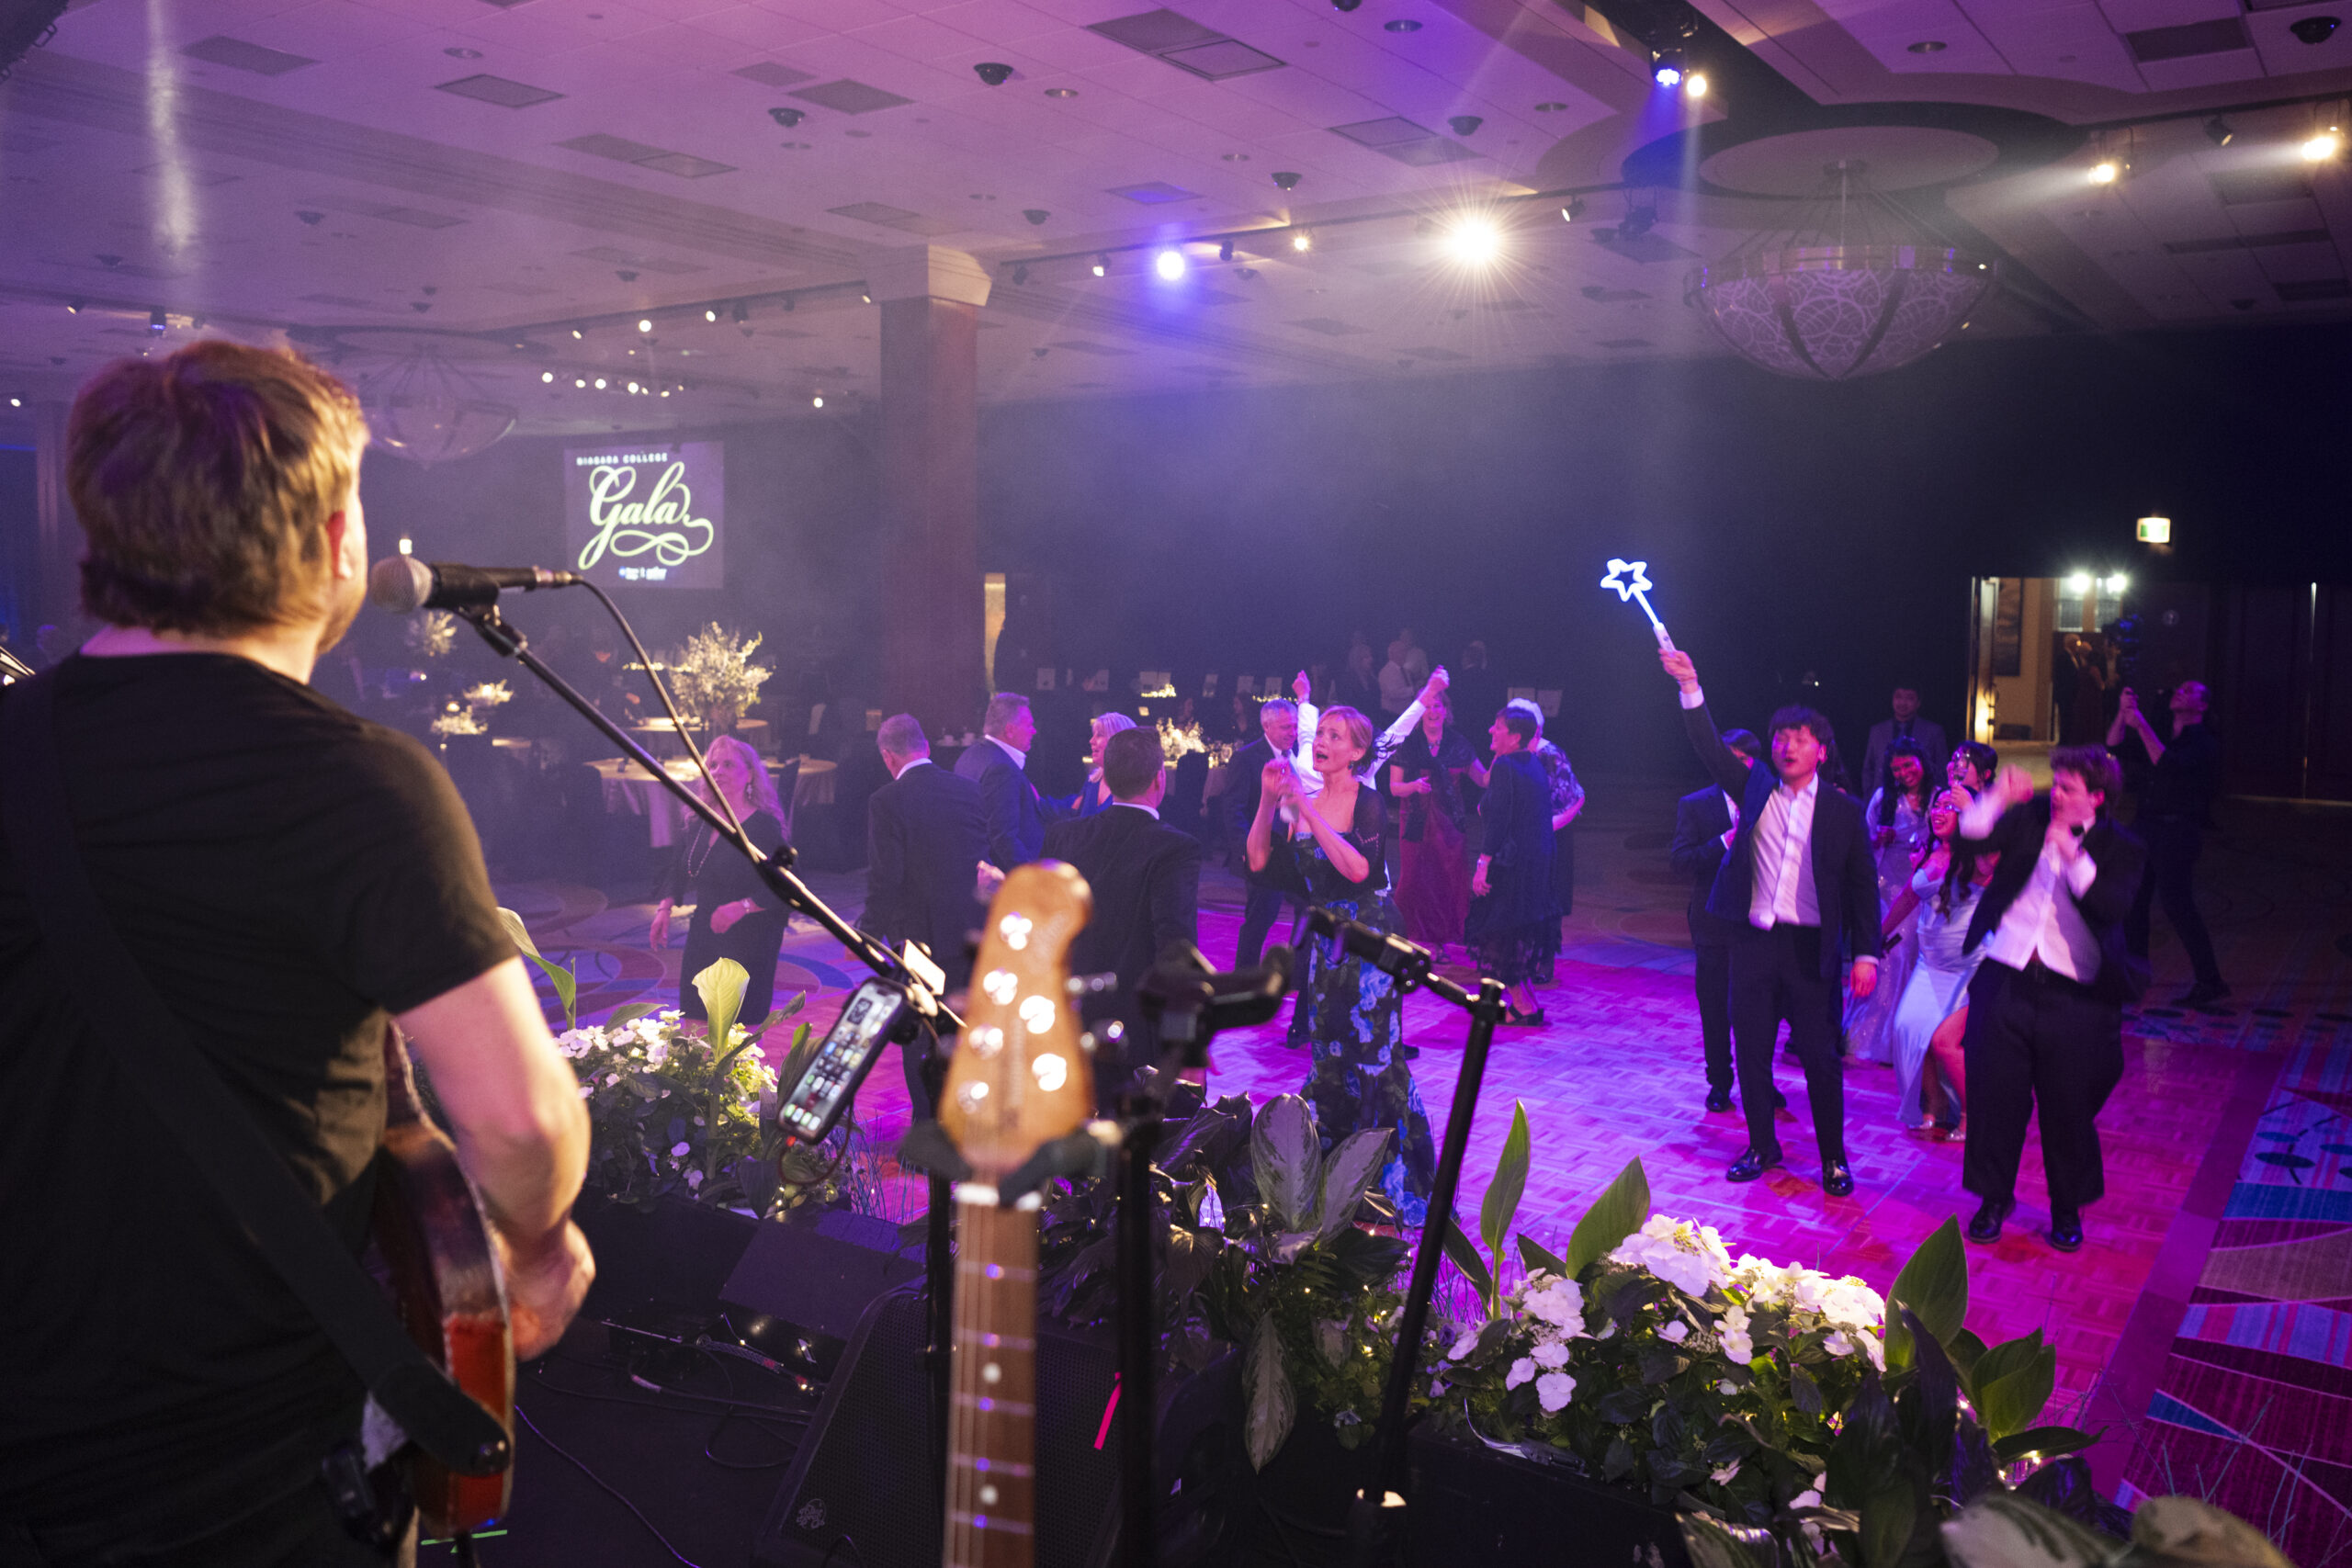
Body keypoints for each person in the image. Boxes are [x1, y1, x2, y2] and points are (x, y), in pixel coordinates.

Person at [0, 341, 592, 1564]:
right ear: (333, 542)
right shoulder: (357, 786)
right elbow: (524, 1125)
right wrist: (531, 1245)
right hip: (243, 1467)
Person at [1661, 647, 1881, 1196]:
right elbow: (1709, 746)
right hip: (1753, 942)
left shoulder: (1843, 811)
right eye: (1782, 737)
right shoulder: (1754, 786)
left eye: (1801, 738)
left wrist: (1866, 955)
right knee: (1751, 1049)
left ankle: (1833, 1159)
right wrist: (1691, 684)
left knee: (1820, 1059)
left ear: (1821, 752)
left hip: (1811, 950)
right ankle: (1761, 1145)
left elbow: (1859, 888)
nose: (1788, 745)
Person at [1247, 705, 1435, 1224]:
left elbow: (1359, 869)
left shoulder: (1367, 802)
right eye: (1320, 732)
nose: (1321, 740)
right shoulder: (1301, 802)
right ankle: (1331, 1176)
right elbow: (1259, 861)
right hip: (1326, 942)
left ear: (1356, 752)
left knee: (1372, 1054)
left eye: (1335, 735)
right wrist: (1269, 801)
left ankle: (1385, 1182)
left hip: (1371, 940)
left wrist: (1307, 812)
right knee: (1328, 1051)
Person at [1954, 750, 2146, 1251]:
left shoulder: (2123, 846)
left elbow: (2111, 904)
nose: (2055, 794)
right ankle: (1994, 1199)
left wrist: (2072, 856)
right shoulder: (2031, 818)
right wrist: (1996, 796)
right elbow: (1970, 835)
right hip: (2009, 977)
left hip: (2075, 994)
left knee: (2068, 1108)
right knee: (1996, 1098)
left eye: (2068, 788)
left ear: (2098, 798)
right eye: (2055, 784)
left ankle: (2066, 1207)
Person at [1040, 728, 1204, 1106]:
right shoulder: (1175, 848)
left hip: (1068, 1018)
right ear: (1159, 779)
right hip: (1135, 1027)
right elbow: (1175, 945)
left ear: (1107, 778)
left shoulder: (1063, 836)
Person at [649, 734, 790, 1043]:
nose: (718, 771)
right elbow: (678, 869)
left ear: (750, 774)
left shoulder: (764, 826)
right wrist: (664, 908)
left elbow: (787, 888)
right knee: (695, 1036)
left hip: (752, 938)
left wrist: (743, 907)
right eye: (712, 765)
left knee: (739, 1039)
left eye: (728, 764)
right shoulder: (699, 820)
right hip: (705, 932)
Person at [2109, 681, 2229, 1009]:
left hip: (2177, 831)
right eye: (2180, 689)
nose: (2180, 692)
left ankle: (2210, 980)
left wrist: (2142, 724)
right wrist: (2123, 714)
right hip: (2147, 826)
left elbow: (2168, 764)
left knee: (2178, 905)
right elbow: (2114, 744)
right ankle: (2134, 974)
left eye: (2191, 692)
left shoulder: (2204, 743)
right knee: (2135, 902)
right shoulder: (2161, 732)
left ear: (2202, 707)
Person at [1886, 787, 1994, 1136]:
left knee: (1944, 1041)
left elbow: (1993, 865)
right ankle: (1935, 1104)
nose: (1939, 811)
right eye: (1937, 805)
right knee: (1908, 1027)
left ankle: (1973, 1116)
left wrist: (1975, 814)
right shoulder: (1928, 855)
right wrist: (1874, 937)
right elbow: (1906, 898)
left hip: (1970, 967)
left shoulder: (1978, 859)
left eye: (1951, 806)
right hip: (1929, 966)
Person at [1671, 728, 1762, 1112]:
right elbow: (1680, 861)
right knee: (1713, 1005)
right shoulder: (1695, 804)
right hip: (1710, 921)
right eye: (1728, 759)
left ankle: (1760, 1083)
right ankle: (1720, 1082)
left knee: (1758, 1009)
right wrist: (1724, 840)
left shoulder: (1769, 801)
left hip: (1758, 923)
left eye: (1742, 760)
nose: (1733, 767)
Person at [1843, 738, 1931, 1066]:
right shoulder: (1883, 799)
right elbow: (1861, 840)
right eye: (1897, 769)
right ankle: (1871, 1035)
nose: (1904, 773)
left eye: (1909, 765)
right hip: (1885, 884)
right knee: (1885, 955)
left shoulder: (1936, 798)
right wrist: (1877, 837)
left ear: (1922, 763)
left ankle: (1902, 1037)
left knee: (1908, 954)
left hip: (1917, 887)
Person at [1467, 706, 1557, 1025]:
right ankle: (1525, 1002)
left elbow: (1498, 823)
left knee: (1499, 931)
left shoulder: (1506, 766)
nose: (1491, 730)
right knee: (1516, 930)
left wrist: (1482, 864)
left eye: (1498, 727)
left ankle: (1523, 1006)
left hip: (1511, 865)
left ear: (1515, 736)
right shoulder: (1531, 763)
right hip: (1533, 867)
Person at [1388, 689, 1476, 957]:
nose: (1434, 711)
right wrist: (1414, 786)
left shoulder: (1458, 743)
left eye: (1438, 706)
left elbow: (1482, 778)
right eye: (1428, 706)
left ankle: (1445, 938)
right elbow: (1394, 787)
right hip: (1416, 822)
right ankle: (1409, 936)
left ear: (1446, 711)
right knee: (1415, 879)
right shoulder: (1408, 744)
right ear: (1420, 713)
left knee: (1449, 880)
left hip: (1450, 826)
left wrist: (1508, 759)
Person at [1227, 695, 1301, 969]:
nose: (1292, 733)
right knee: (1260, 918)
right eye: (1285, 728)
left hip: (1293, 850)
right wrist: (1246, 852)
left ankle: (1295, 972)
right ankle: (1244, 975)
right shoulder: (1247, 759)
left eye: (1294, 727)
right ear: (1267, 727)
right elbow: (1233, 810)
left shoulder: (1295, 756)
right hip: (1264, 853)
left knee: (1307, 913)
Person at [956, 690, 1069, 871]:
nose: (1034, 730)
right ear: (1010, 730)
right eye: (1029, 725)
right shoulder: (1002, 769)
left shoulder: (969, 755)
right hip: (1004, 878)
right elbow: (1003, 837)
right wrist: (1031, 875)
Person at [1860, 685, 1949, 798]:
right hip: (1883, 799)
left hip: (1922, 801)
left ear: (1918, 703)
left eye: (1909, 698)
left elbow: (1942, 770)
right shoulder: (1877, 731)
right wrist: (1870, 797)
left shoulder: (1934, 732)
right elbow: (1868, 769)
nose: (1903, 703)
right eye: (1898, 697)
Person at [1076, 711, 1138, 817]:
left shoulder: (1134, 788)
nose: (1091, 741)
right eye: (1093, 735)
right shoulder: (1092, 781)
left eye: (1099, 735)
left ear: (1119, 742)